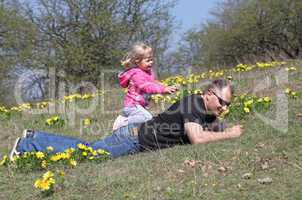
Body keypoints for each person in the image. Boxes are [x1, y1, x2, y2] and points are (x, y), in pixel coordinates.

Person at [9, 79, 243, 160]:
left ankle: (34, 138)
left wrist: (218, 124)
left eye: (227, 104)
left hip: (135, 137)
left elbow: (201, 130)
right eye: (222, 102)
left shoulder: (199, 106)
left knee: (88, 151)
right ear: (209, 95)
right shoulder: (193, 105)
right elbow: (197, 139)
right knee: (88, 153)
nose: (224, 106)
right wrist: (229, 134)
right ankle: (27, 145)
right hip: (132, 139)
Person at [112, 42, 177, 130]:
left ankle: (129, 127)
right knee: (148, 118)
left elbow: (153, 82)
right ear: (137, 61)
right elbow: (147, 87)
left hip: (139, 106)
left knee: (145, 121)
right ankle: (123, 123)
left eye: (151, 59)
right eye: (147, 60)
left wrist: (165, 87)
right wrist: (163, 89)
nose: (151, 62)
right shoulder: (137, 74)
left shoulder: (148, 72)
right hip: (133, 105)